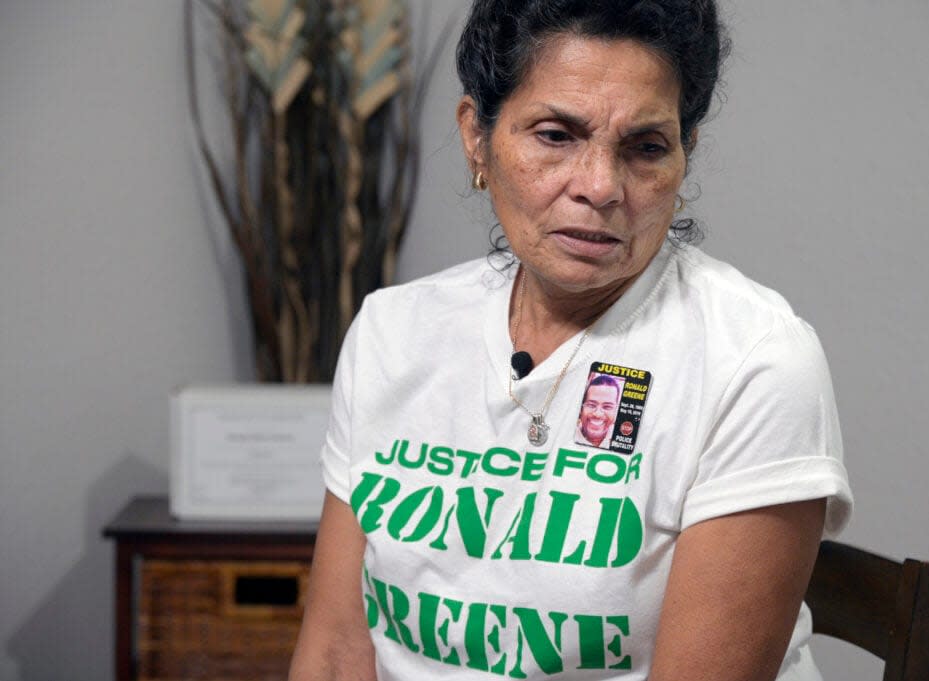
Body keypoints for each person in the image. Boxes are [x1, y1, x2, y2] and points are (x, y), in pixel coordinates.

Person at [289, 1, 853, 680]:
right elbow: (334, 652)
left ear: (685, 153)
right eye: (556, 134)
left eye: (646, 148)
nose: (601, 187)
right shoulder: (393, 332)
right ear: (477, 136)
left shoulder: (754, 362)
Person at [575, 374, 622, 449]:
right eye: (591, 405)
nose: (598, 414)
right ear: (581, 408)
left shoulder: (622, 439)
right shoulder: (567, 433)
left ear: (616, 411)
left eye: (607, 407)